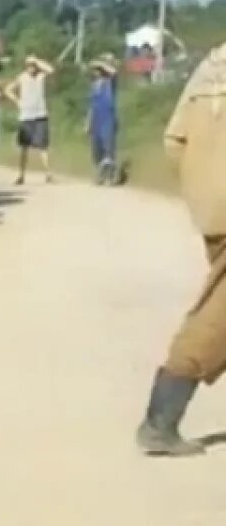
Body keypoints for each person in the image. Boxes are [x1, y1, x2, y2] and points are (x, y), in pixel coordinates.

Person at [136, 42, 226, 457]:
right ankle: (160, 423)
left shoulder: (210, 65)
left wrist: (202, 189)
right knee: (216, 320)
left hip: (212, 207)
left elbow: (175, 140)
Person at [4, 54, 54, 185]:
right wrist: (17, 101)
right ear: (26, 66)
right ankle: (21, 175)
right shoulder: (22, 77)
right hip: (26, 116)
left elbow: (51, 70)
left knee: (43, 146)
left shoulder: (41, 76)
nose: (32, 67)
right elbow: (8, 89)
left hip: (40, 115)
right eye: (29, 65)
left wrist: (37, 60)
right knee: (24, 147)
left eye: (33, 65)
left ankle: (48, 173)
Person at [86, 54, 119, 185]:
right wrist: (87, 122)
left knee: (108, 148)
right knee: (96, 150)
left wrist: (100, 63)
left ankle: (110, 176)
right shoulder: (94, 84)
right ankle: (100, 174)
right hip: (96, 118)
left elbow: (114, 72)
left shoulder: (111, 81)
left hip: (108, 118)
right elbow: (91, 105)